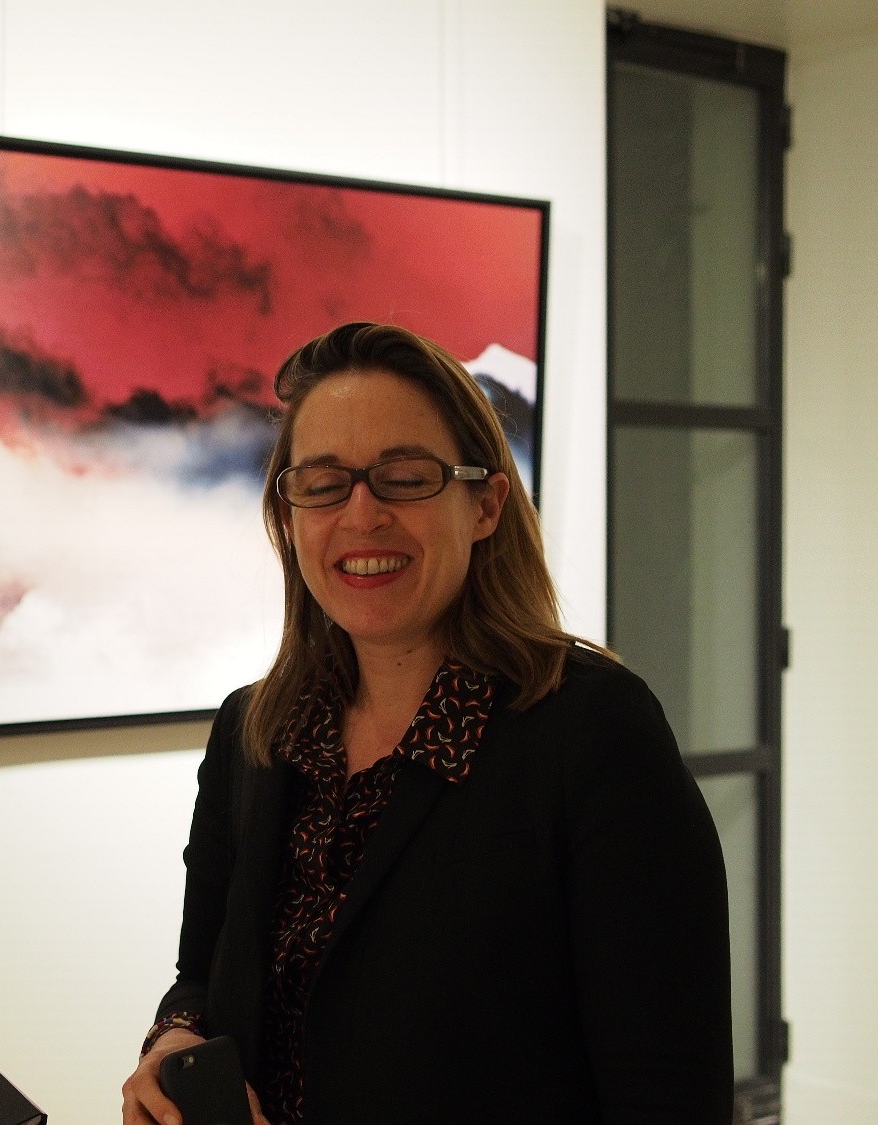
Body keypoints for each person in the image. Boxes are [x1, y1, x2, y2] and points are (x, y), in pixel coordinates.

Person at [122, 322, 732, 1124]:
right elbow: (200, 977)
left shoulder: (592, 734)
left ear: (486, 504)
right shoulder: (254, 732)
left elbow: (669, 1092)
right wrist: (174, 1038)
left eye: (405, 478)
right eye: (323, 483)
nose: (362, 514)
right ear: (289, 516)